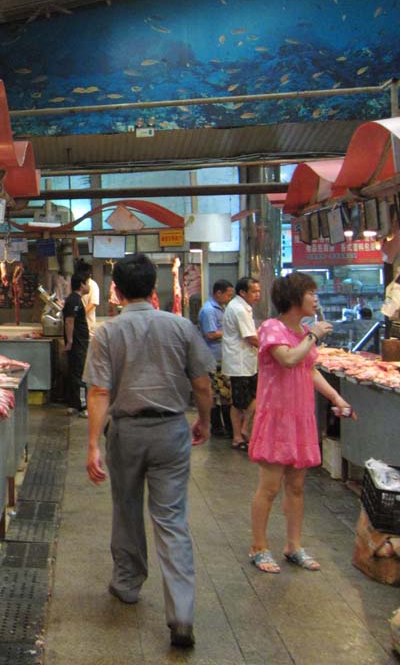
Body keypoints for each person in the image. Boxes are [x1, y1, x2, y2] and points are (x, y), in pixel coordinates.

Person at [83, 254, 213, 649]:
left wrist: (92, 445)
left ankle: (127, 583)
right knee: (171, 519)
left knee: (126, 507)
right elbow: (203, 382)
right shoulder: (181, 327)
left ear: (117, 292)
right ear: (154, 289)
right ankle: (182, 615)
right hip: (172, 429)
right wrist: (204, 421)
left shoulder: (107, 333)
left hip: (126, 432)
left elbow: (99, 391)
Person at [248, 273, 353, 574]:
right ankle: (258, 547)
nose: (316, 298)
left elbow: (309, 370)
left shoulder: (304, 332)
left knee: (296, 486)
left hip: (301, 417)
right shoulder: (272, 328)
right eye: (310, 292)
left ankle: (293, 545)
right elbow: (289, 359)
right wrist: (314, 335)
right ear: (294, 298)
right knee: (269, 487)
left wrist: (337, 398)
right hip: (276, 418)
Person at [222, 277, 261, 450]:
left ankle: (240, 435)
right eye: (254, 291)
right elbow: (251, 337)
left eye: (258, 291)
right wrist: (273, 348)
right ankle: (242, 432)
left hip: (244, 361)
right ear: (243, 292)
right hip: (240, 362)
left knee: (240, 401)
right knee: (247, 400)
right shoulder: (239, 309)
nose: (257, 295)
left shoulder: (242, 307)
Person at [198, 280, 234, 438]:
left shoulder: (222, 308)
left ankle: (226, 426)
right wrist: (233, 333)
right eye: (227, 295)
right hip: (213, 358)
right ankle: (217, 427)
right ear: (218, 293)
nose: (229, 298)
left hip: (223, 356)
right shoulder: (209, 311)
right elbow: (210, 334)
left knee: (225, 393)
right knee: (216, 394)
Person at [63, 272, 91, 416]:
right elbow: (69, 321)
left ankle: (73, 405)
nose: (89, 286)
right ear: (81, 284)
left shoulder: (74, 299)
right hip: (77, 343)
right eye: (87, 282)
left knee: (74, 373)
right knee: (80, 374)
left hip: (78, 342)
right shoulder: (74, 300)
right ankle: (82, 406)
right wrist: (70, 341)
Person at [76, 259, 100, 334]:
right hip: (78, 325)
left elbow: (93, 303)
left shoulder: (92, 284)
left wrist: (79, 314)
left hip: (88, 325)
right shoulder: (77, 283)